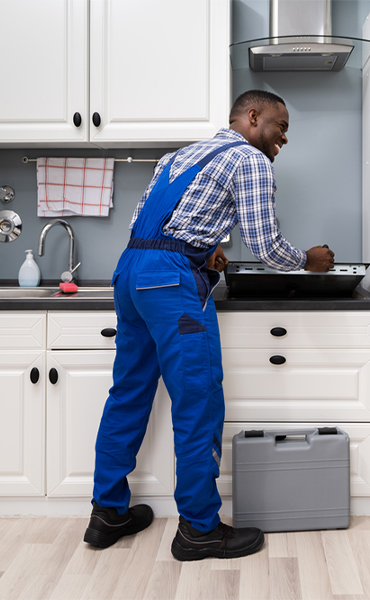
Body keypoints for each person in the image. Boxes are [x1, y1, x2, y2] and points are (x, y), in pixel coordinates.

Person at [83, 90, 335, 561]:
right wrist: (309, 260)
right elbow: (267, 246)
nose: (284, 137)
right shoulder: (250, 160)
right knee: (197, 401)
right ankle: (199, 529)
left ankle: (106, 512)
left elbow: (157, 225)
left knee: (129, 393)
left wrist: (207, 249)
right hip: (171, 285)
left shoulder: (178, 156)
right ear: (253, 116)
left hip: (131, 273)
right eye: (280, 126)